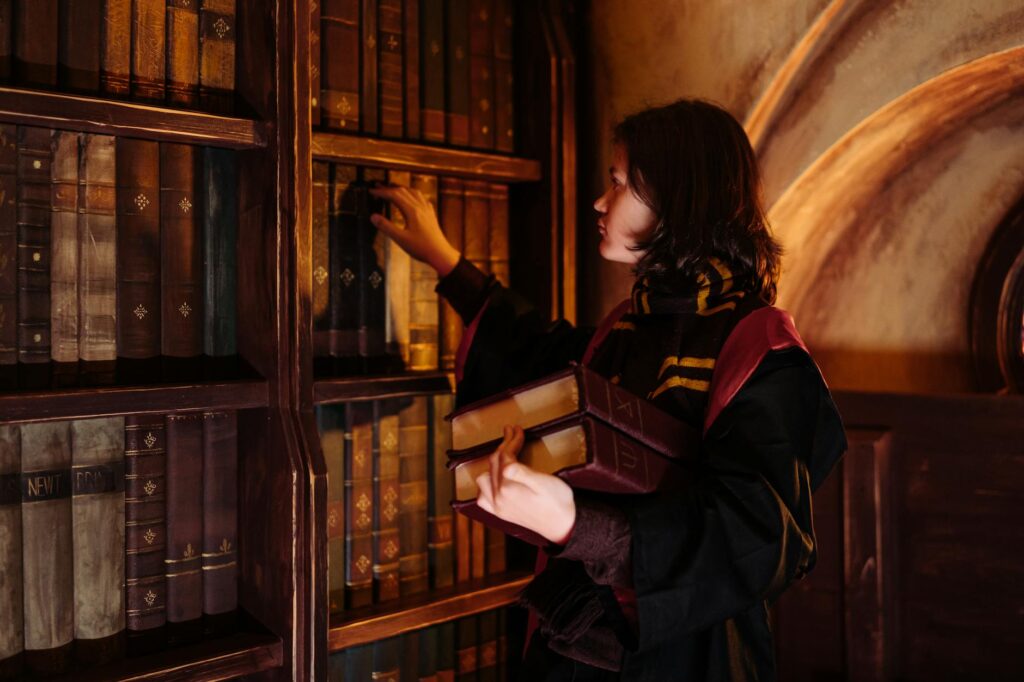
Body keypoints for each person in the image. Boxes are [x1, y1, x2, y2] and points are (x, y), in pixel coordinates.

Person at [369, 98, 847, 681]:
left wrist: (578, 525)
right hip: (570, 650)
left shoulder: (759, 348)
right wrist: (445, 263)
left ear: (677, 197)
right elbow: (540, 356)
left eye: (618, 182)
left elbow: (761, 536)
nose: (599, 201)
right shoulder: (628, 326)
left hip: (682, 659)